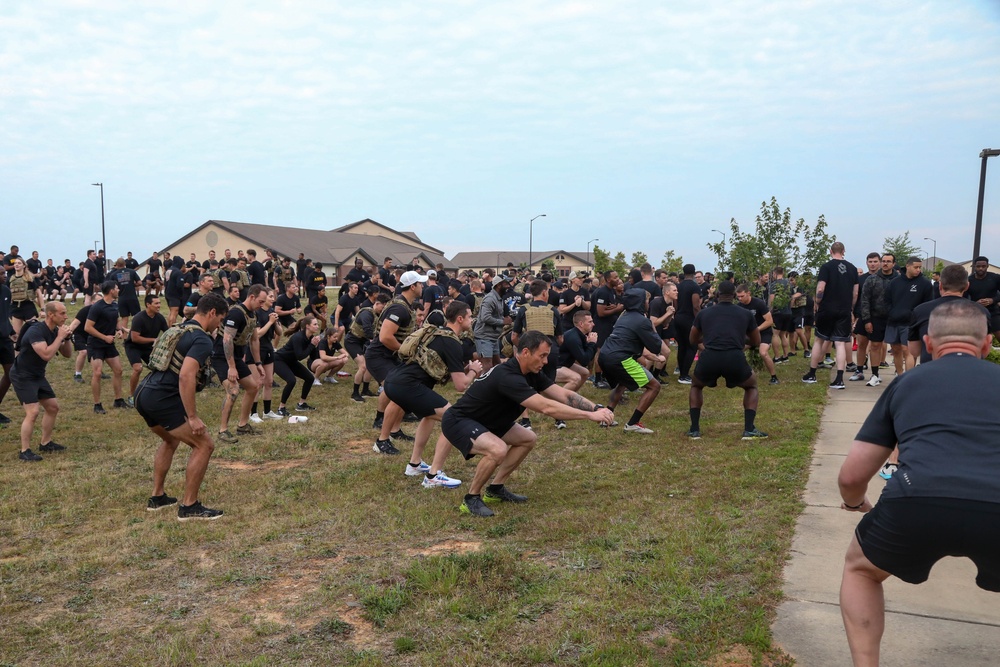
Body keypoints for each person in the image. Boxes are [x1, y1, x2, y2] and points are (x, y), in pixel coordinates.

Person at [837, 298, 1000, 666]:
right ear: (987, 345)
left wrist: (853, 503)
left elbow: (852, 475)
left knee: (861, 568)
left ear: (927, 344)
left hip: (916, 499)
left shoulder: (908, 382)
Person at [438, 330, 615, 517]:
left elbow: (564, 394)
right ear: (525, 353)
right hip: (461, 420)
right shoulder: (508, 376)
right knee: (497, 449)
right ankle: (471, 498)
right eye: (542, 356)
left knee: (527, 438)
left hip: (491, 420)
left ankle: (495, 490)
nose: (546, 361)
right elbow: (547, 408)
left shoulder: (531, 372)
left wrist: (595, 408)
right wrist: (589, 416)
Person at [135, 292, 229, 520]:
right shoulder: (201, 339)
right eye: (220, 319)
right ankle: (189, 506)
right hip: (161, 399)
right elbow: (186, 377)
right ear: (212, 313)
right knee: (204, 445)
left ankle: (157, 497)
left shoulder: (179, 328)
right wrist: (193, 416)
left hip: (143, 393)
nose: (220, 324)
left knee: (171, 439)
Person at [380, 300, 481, 484]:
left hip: (394, 380)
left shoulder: (437, 333)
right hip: (408, 385)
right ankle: (434, 475)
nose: (471, 320)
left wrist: (465, 370)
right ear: (460, 319)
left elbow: (447, 371)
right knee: (453, 418)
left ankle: (415, 464)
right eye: (469, 316)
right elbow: (460, 386)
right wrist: (474, 370)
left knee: (430, 415)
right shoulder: (453, 343)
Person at [688, 281, 766, 439]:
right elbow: (756, 341)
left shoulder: (704, 313)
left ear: (717, 294)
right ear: (734, 296)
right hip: (734, 357)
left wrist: (709, 339)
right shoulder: (745, 314)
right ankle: (749, 429)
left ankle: (694, 429)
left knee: (696, 385)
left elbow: (692, 339)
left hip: (710, 356)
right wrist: (740, 340)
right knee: (751, 386)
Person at [599, 288, 670, 433]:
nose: (648, 304)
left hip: (605, 355)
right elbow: (656, 345)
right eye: (646, 301)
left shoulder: (623, 317)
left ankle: (604, 417)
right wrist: (651, 326)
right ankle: (633, 423)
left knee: (622, 383)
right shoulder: (642, 321)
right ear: (640, 302)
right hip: (620, 358)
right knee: (654, 386)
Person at [365, 270, 426, 439]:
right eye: (420, 284)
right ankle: (383, 424)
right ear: (412, 287)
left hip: (389, 356)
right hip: (379, 356)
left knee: (399, 391)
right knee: (398, 390)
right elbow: (385, 337)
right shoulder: (399, 308)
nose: (423, 286)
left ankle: (394, 429)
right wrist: (404, 351)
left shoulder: (405, 305)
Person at [10, 301, 73, 461]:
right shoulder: (36, 331)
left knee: (52, 407)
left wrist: (67, 338)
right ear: (51, 314)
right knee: (33, 412)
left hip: (37, 375)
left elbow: (67, 354)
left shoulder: (55, 331)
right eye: (62, 313)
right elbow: (45, 354)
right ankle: (25, 451)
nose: (65, 317)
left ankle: (46, 443)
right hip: (22, 375)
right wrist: (59, 337)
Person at [211, 285, 265, 442]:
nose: (262, 305)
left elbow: (254, 340)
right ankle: (223, 430)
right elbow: (227, 340)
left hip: (236, 356)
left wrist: (258, 363)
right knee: (233, 390)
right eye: (260, 301)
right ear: (252, 297)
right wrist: (232, 367)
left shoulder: (253, 315)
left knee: (253, 387)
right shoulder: (236, 313)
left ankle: (243, 425)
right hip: (222, 356)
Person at [802, 242, 858, 389]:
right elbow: (855, 293)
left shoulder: (826, 267)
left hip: (827, 308)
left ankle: (812, 374)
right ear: (844, 251)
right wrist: (850, 307)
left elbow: (821, 288)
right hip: (844, 310)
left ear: (830, 251)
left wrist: (818, 302)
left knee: (820, 341)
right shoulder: (852, 268)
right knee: (840, 343)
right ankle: (839, 379)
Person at [883, 256, 932, 376]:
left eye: (920, 267)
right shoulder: (895, 282)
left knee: (908, 351)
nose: (918, 270)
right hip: (894, 321)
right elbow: (886, 300)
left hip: (911, 323)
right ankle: (899, 376)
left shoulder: (924, 284)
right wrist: (891, 312)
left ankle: (908, 378)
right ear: (908, 266)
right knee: (896, 350)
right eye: (916, 267)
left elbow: (928, 304)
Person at [84, 280, 128, 413]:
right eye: (117, 288)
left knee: (118, 370)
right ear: (111, 291)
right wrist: (104, 337)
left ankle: (118, 400)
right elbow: (87, 327)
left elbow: (116, 320)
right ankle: (97, 405)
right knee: (97, 373)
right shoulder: (97, 307)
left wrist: (120, 330)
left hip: (109, 344)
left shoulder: (114, 305)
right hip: (96, 344)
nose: (118, 290)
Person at [125, 294, 169, 402]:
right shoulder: (139, 318)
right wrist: (153, 340)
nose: (159, 305)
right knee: (138, 368)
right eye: (156, 303)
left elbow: (167, 333)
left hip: (148, 347)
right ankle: (132, 396)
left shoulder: (160, 317)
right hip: (133, 347)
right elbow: (134, 338)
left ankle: (154, 391)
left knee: (159, 368)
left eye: (159, 303)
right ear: (148, 305)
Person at [345, 292, 388, 402]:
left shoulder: (376, 314)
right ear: (377, 303)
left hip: (362, 342)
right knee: (363, 366)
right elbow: (367, 330)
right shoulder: (367, 313)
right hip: (352, 341)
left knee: (369, 366)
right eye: (382, 307)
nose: (382, 310)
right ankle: (355, 394)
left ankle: (365, 391)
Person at [736, 283, 778, 385]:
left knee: (763, 353)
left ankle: (774, 377)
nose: (740, 299)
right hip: (749, 335)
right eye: (738, 297)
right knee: (736, 352)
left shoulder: (759, 303)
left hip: (763, 332)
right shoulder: (738, 306)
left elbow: (769, 321)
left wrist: (756, 330)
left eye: (742, 296)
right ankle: (741, 374)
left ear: (748, 293)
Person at [472, 275, 511, 372]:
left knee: (496, 364)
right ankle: (481, 385)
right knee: (487, 365)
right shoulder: (490, 299)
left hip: (493, 337)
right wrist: (502, 321)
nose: (508, 286)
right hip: (484, 337)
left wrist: (504, 319)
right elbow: (485, 317)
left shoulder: (498, 298)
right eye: (505, 283)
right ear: (498, 285)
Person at [674, 264, 702, 385]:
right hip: (688, 319)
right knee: (692, 346)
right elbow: (695, 306)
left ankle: (681, 370)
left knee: (682, 346)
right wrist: (701, 319)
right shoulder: (694, 287)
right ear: (694, 273)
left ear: (683, 273)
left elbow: (675, 303)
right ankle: (684, 375)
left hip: (678, 317)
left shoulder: (678, 286)